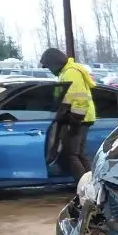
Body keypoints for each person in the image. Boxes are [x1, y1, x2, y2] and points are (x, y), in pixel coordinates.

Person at [39, 48, 96, 181]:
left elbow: (80, 99)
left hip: (79, 118)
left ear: (54, 63)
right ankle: (93, 183)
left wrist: (74, 121)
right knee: (78, 154)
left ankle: (85, 187)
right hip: (82, 118)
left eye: (49, 67)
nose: (49, 70)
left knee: (71, 154)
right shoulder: (67, 72)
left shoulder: (70, 73)